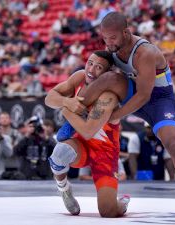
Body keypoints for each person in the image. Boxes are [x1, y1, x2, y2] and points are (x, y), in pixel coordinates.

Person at [56, 12, 175, 221]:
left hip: (157, 100)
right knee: (109, 77)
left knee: (172, 144)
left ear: (126, 33)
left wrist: (115, 115)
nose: (108, 43)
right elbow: (97, 77)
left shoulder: (145, 52)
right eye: (105, 38)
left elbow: (144, 95)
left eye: (112, 38)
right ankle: (71, 121)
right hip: (133, 92)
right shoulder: (112, 49)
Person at [45, 50, 130, 217]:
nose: (91, 70)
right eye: (90, 63)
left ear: (107, 74)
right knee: (59, 154)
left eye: (98, 67)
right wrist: (66, 101)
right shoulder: (80, 77)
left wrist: (66, 109)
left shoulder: (108, 97)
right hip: (81, 146)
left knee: (108, 212)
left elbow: (88, 130)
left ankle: (122, 202)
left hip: (104, 153)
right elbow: (49, 98)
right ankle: (64, 189)